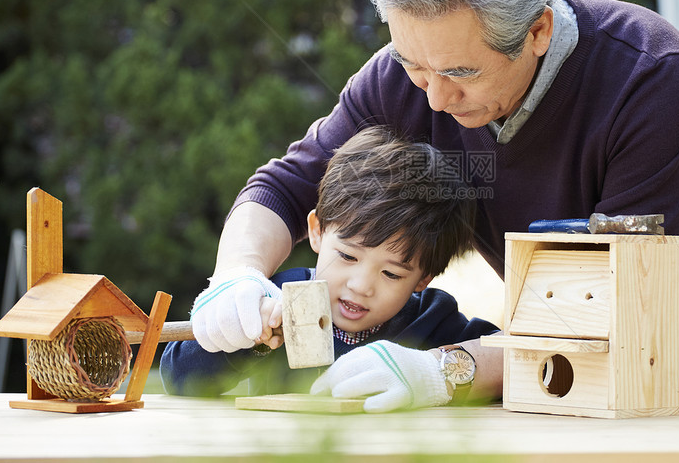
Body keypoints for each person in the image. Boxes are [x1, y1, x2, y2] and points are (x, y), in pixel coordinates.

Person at [191, 0, 679, 430]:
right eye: (413, 64)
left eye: (460, 72)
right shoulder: (405, 76)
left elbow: (613, 306)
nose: (431, 96)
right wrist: (237, 276)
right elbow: (287, 185)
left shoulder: (649, 79)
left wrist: (445, 369)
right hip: (551, 351)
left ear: (538, 31)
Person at [161, 126, 499, 408]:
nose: (361, 285)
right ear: (317, 231)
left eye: (392, 273)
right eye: (349, 256)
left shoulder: (433, 320)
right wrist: (245, 333)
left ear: (423, 278)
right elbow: (179, 377)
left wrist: (436, 371)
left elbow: (515, 357)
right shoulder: (275, 299)